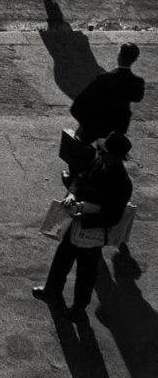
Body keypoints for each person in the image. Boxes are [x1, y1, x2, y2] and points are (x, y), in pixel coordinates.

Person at [33, 131, 133, 322]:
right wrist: (72, 194)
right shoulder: (99, 163)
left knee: (86, 271)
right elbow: (80, 178)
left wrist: (84, 219)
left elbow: (113, 217)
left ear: (115, 157)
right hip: (77, 218)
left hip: (93, 229)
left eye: (105, 152)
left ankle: (79, 307)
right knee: (63, 256)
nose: (100, 154)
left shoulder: (122, 183)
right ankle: (52, 289)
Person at [70, 43, 145, 144]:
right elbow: (137, 97)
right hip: (117, 130)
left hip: (96, 127)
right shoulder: (137, 82)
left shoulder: (104, 79)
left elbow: (78, 104)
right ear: (134, 60)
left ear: (119, 56)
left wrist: (83, 125)